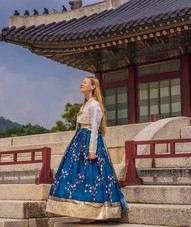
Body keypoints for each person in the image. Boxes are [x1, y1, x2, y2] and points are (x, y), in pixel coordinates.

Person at [45, 76, 129, 223]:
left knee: (91, 176)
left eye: (85, 82)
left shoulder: (94, 105)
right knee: (77, 176)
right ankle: (84, 210)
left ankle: (93, 212)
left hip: (89, 141)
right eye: (82, 82)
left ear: (92, 86)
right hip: (80, 141)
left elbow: (95, 129)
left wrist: (92, 150)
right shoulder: (85, 105)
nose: (81, 84)